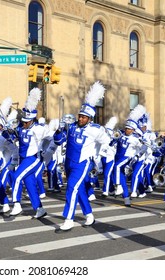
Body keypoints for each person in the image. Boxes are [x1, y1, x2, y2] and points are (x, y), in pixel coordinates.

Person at [53, 81, 110, 231]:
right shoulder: (70, 126)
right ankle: (89, 214)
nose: (81, 119)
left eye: (84, 117)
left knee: (71, 188)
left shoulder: (96, 129)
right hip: (69, 162)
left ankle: (68, 219)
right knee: (79, 190)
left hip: (82, 163)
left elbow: (107, 141)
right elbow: (58, 141)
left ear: (90, 118)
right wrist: (58, 131)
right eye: (80, 116)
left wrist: (96, 155)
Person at [8, 88, 47, 219]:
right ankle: (39, 209)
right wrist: (9, 132)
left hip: (33, 159)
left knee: (17, 177)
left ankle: (16, 203)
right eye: (23, 121)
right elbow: (14, 137)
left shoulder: (39, 129)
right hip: (23, 159)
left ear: (32, 120)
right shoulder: (21, 127)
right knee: (30, 185)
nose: (24, 123)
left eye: (26, 122)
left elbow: (53, 137)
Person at [112, 104, 145, 206]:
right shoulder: (121, 134)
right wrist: (114, 140)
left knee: (117, 167)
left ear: (133, 130)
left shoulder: (136, 138)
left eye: (130, 129)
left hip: (127, 157)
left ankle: (118, 186)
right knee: (121, 177)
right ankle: (126, 198)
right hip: (118, 156)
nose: (127, 130)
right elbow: (112, 143)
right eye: (126, 128)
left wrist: (137, 155)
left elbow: (143, 147)